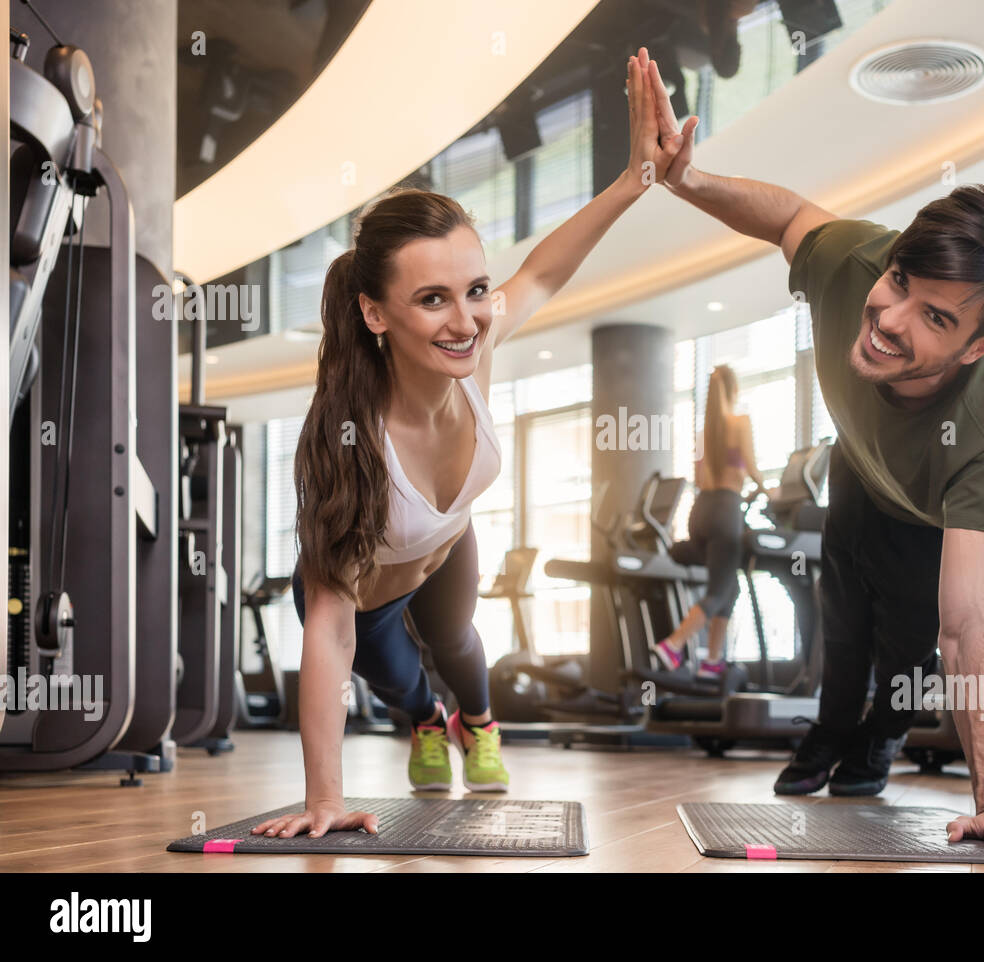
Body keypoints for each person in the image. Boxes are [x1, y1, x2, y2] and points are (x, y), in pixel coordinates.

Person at [637, 48, 984, 851]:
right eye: (900, 284)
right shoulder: (855, 263)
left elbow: (971, 624)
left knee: (913, 646)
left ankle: (881, 741)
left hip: (930, 508)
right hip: (860, 465)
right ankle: (828, 737)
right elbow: (789, 217)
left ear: (977, 347)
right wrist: (687, 179)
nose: (891, 318)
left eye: (936, 318)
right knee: (842, 620)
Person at [254, 56, 685, 841]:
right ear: (375, 314)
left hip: (446, 544)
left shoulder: (476, 345)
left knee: (459, 640)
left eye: (475, 289)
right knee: (400, 681)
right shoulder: (349, 442)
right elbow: (329, 627)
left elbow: (547, 272)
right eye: (432, 299)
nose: (467, 320)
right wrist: (324, 796)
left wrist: (634, 179)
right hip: (370, 593)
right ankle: (427, 722)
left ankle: (478, 723)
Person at [654, 364, 767, 679]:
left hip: (700, 511)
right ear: (734, 390)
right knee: (719, 590)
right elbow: (753, 469)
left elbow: (701, 478)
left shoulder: (707, 431)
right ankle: (673, 645)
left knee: (729, 588)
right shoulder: (739, 422)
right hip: (725, 509)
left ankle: (712, 662)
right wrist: (767, 490)